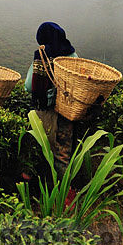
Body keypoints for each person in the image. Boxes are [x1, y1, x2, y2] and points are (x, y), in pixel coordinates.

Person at [24, 22, 78, 181]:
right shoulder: (72, 55)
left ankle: (37, 188)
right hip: (68, 110)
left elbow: (28, 86)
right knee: (62, 153)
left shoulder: (41, 55)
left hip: (46, 110)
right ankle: (64, 194)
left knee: (40, 147)